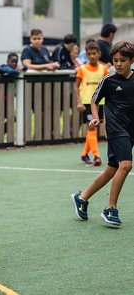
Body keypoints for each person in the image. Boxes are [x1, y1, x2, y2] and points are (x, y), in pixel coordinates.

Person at [71, 41, 134, 227]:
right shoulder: (109, 80)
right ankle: (111, 208)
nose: (119, 64)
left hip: (131, 129)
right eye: (115, 60)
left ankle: (82, 197)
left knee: (112, 168)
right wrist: (96, 117)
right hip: (116, 128)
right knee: (126, 165)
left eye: (123, 60)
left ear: (132, 60)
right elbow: (94, 99)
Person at [74, 41, 108, 166]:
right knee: (91, 127)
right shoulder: (82, 69)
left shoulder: (103, 69)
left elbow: (106, 86)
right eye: (89, 54)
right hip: (87, 102)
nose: (92, 56)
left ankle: (84, 154)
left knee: (93, 128)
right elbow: (76, 86)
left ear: (99, 54)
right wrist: (79, 102)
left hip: (100, 102)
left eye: (94, 53)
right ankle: (96, 155)